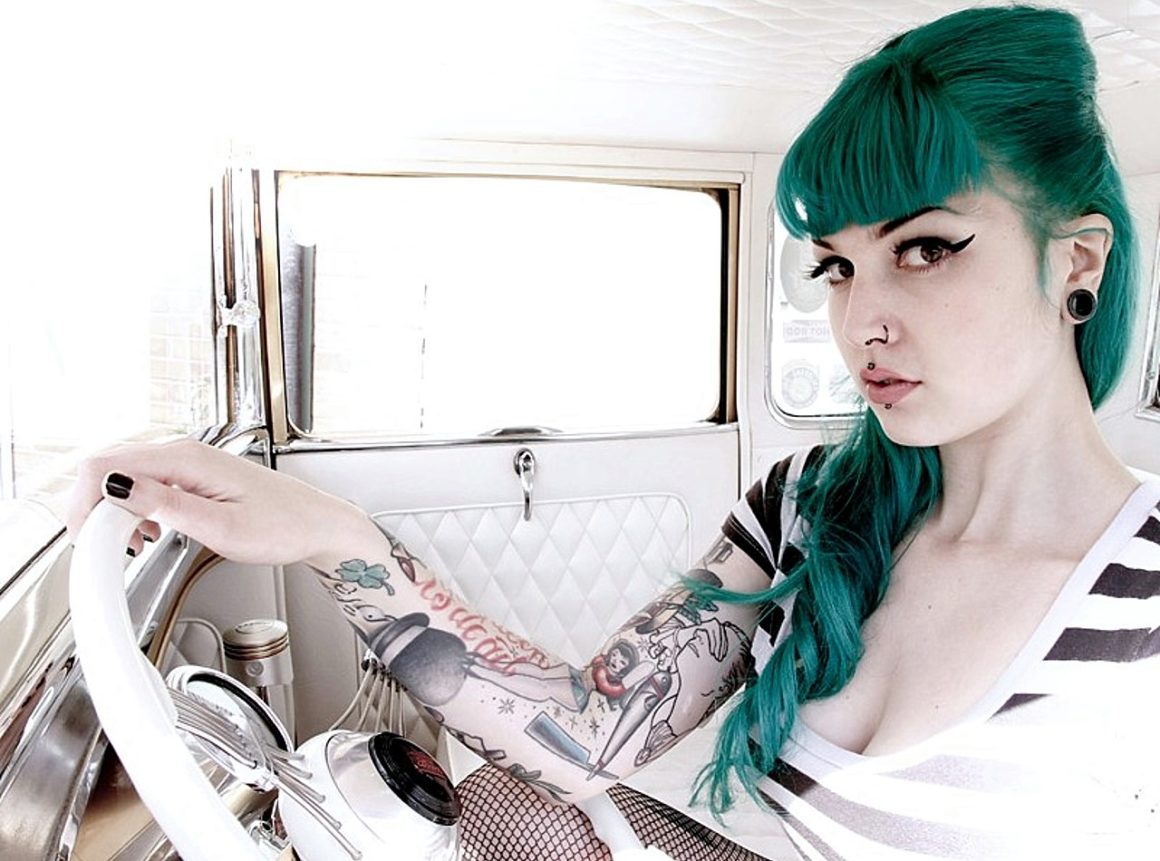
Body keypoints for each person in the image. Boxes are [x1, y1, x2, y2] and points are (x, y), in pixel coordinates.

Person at [67, 6, 1160, 860]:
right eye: (835, 265)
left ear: (1075, 261)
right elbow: (590, 732)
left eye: (923, 249)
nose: (860, 321)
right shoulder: (811, 504)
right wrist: (328, 535)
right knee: (500, 805)